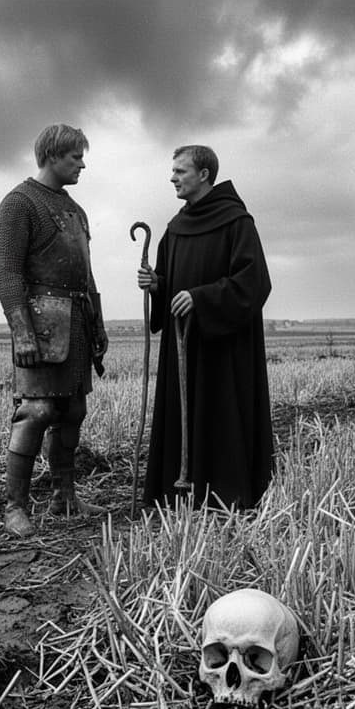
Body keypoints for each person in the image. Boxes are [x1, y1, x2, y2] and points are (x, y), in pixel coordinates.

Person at [138, 145, 273, 510]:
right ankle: (179, 490)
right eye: (173, 171)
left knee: (221, 414)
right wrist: (158, 285)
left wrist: (202, 299)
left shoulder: (237, 222)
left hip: (223, 350)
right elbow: (170, 280)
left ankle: (224, 492)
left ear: (203, 174)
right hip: (184, 346)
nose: (173, 178)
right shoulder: (176, 228)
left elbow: (255, 282)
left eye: (180, 171)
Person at [0, 123, 108, 536]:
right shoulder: (19, 203)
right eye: (76, 156)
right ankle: (14, 507)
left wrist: (98, 323)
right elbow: (4, 271)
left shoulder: (76, 210)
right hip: (40, 323)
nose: (82, 164)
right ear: (53, 155)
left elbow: (86, 275)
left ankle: (65, 497)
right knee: (36, 411)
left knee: (73, 410)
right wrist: (22, 331)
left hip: (75, 322)